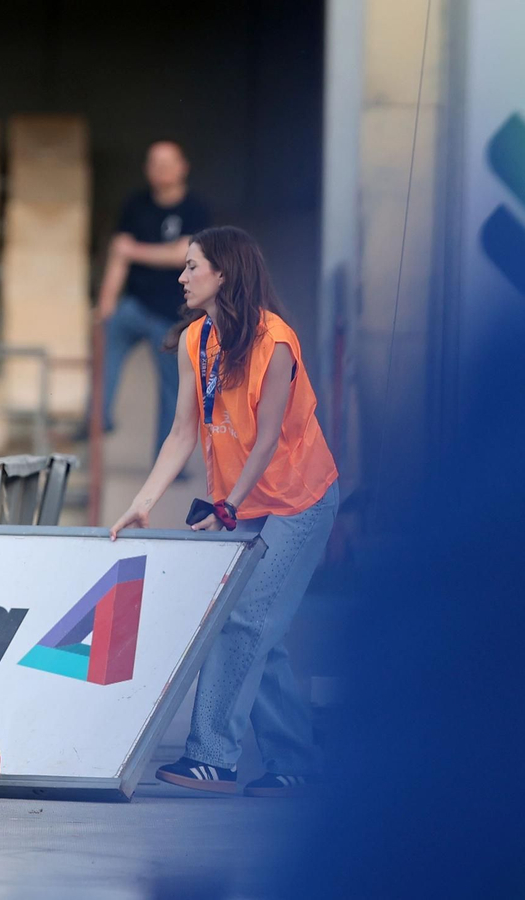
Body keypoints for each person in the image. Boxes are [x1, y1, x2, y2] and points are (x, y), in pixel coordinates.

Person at [108, 226, 338, 798]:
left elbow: (266, 439)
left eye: (192, 266)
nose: (181, 277)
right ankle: (296, 762)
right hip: (246, 503)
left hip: (298, 500)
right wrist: (141, 503)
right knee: (261, 632)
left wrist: (228, 505)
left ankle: (212, 757)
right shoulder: (196, 339)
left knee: (245, 622)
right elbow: (182, 432)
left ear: (223, 273)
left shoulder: (275, 341)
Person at [89, 141, 211, 450]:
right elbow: (118, 257)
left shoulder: (195, 209)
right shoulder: (135, 204)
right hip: (134, 305)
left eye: (168, 163)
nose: (161, 169)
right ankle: (96, 419)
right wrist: (105, 304)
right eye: (155, 163)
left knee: (174, 389)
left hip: (175, 313)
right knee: (105, 345)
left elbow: (183, 254)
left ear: (183, 167)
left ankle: (168, 458)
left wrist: (134, 251)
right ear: (147, 169)